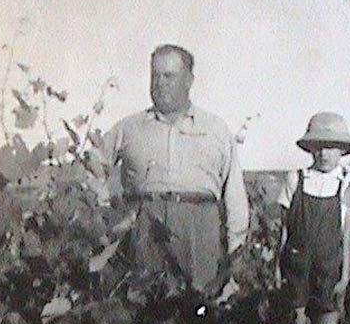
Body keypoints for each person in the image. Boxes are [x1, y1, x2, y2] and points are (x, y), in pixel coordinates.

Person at [102, 44, 249, 297]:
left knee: (199, 316)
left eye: (169, 76)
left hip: (199, 235)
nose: (160, 84)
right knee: (143, 316)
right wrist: (110, 222)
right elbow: (90, 170)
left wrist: (235, 262)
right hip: (145, 232)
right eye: (155, 76)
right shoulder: (128, 129)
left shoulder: (215, 130)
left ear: (189, 80)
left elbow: (234, 198)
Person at [278, 111, 350, 324]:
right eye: (319, 146)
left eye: (331, 147)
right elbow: (284, 230)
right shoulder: (296, 178)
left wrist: (344, 277)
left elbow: (347, 236)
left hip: (328, 271)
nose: (324, 154)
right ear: (311, 148)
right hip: (296, 268)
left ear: (342, 151)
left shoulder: (347, 185)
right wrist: (278, 267)